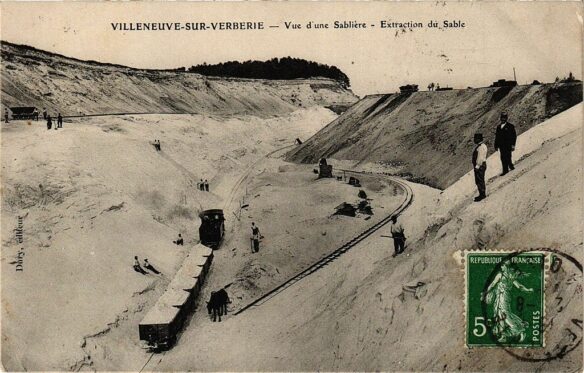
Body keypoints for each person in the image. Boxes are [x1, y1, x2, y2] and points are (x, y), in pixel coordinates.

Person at [473, 133, 488, 202]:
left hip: (480, 166)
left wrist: (477, 166)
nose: (474, 140)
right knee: (479, 179)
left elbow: (480, 158)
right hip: (480, 165)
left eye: (475, 139)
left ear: (478, 139)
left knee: (480, 180)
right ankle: (481, 193)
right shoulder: (481, 146)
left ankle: (482, 194)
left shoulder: (481, 147)